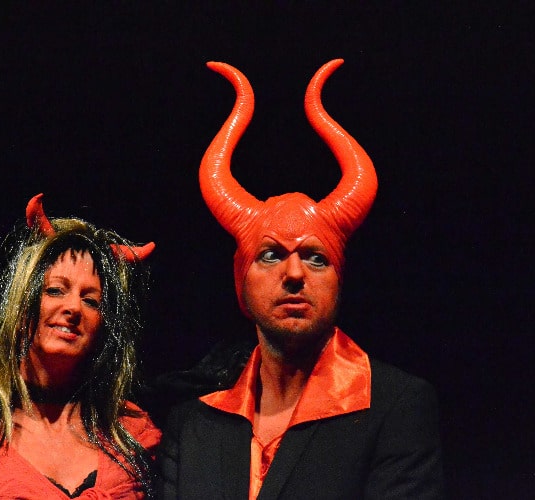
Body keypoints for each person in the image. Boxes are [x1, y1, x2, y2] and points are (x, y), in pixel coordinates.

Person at [158, 60, 444, 499]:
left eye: (316, 258)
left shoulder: (395, 406)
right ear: (240, 281)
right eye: (270, 255)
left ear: (339, 280)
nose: (294, 274)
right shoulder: (190, 423)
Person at [0, 193, 160, 499]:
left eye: (91, 300)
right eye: (55, 290)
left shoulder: (134, 435)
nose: (74, 308)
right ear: (20, 306)